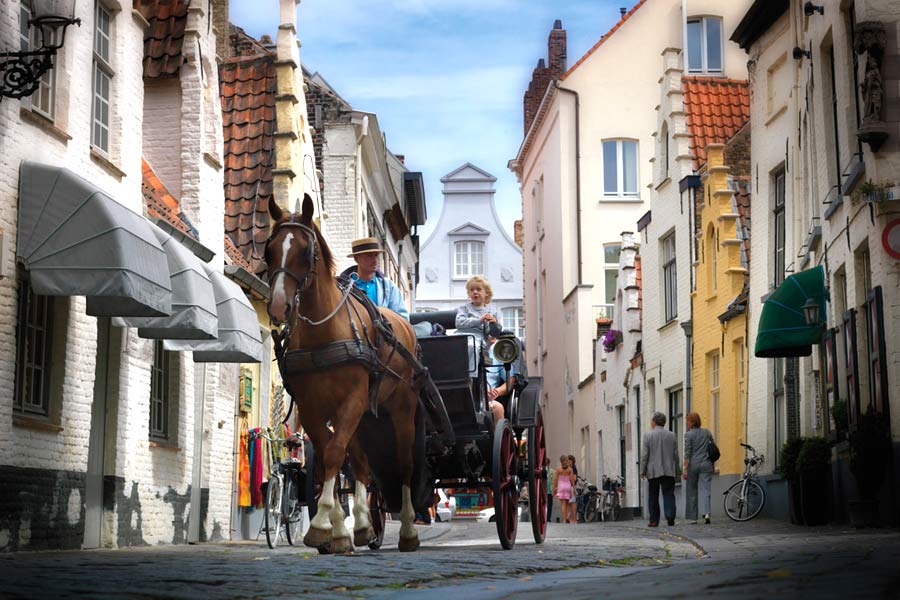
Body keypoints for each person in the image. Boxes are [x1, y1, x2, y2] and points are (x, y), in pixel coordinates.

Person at [342, 237, 409, 319]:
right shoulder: (344, 288)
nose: (375, 260)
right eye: (369, 256)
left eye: (376, 255)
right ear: (356, 258)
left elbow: (402, 319)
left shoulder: (389, 287)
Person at [640, 411, 679, 527]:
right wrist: (677, 468)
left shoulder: (648, 435)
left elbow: (644, 455)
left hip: (653, 471)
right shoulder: (672, 435)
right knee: (669, 494)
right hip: (668, 470)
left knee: (653, 495)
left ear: (654, 422)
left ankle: (654, 520)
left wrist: (642, 470)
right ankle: (670, 517)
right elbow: (675, 454)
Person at [683, 412, 714, 524]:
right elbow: (712, 448)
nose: (686, 423)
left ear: (692, 422)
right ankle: (706, 513)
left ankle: (692, 518)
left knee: (692, 490)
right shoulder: (707, 432)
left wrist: (685, 469)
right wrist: (712, 464)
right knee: (706, 489)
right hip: (706, 464)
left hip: (693, 465)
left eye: (688, 421)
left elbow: (687, 453)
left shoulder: (688, 435)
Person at [455, 276, 499, 353]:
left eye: (478, 289)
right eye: (472, 290)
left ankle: (470, 365)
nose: (475, 292)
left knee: (472, 346)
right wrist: (479, 320)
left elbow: (494, 333)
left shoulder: (492, 312)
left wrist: (494, 323)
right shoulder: (463, 308)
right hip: (461, 337)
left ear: (487, 293)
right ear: (469, 293)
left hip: (477, 340)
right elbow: (459, 323)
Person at [485, 334, 519, 424]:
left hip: (485, 400)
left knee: (497, 408)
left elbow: (510, 380)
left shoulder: (498, 351)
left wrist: (496, 391)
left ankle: (496, 437)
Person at [553, 455, 576, 523]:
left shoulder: (558, 469)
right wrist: (574, 488)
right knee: (568, 504)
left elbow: (556, 479)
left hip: (561, 486)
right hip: (568, 486)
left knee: (563, 505)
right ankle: (568, 518)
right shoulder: (570, 469)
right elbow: (572, 480)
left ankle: (564, 519)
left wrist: (554, 488)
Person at [568, 455, 580, 523]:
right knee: (570, 503)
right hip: (568, 486)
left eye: (569, 461)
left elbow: (575, 478)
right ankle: (571, 519)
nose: (568, 462)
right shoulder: (569, 468)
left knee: (573, 503)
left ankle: (574, 519)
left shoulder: (574, 468)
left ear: (572, 461)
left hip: (572, 486)